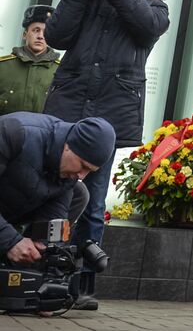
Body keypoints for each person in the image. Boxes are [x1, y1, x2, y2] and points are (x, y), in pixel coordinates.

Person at [44, 0, 168, 311]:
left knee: (93, 202)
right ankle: (46, 275)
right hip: (69, 106)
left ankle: (83, 286)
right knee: (52, 194)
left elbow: (146, 28)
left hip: (108, 116)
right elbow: (56, 35)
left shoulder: (155, 5)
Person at [0, 114, 113, 266]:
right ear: (68, 146)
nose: (81, 175)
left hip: (11, 210)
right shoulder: (14, 132)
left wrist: (44, 248)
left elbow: (54, 217)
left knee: (79, 193)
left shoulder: (68, 172)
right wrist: (11, 241)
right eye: (83, 165)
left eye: (90, 171)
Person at [0, 6, 61, 114]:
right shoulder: (3, 67)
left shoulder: (60, 71)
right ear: (25, 35)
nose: (40, 36)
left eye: (46, 31)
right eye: (36, 30)